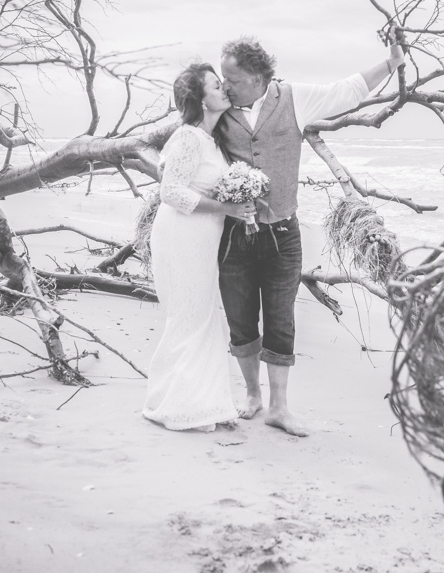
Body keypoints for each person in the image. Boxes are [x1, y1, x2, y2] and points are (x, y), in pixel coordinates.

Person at [216, 36, 405, 437]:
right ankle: (252, 395)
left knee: (281, 321)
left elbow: (347, 91)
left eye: (230, 78)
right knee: (240, 318)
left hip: (283, 234)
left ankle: (279, 408)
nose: (224, 85)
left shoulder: (293, 98)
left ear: (255, 77)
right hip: (234, 236)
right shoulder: (217, 110)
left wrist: (391, 63)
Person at [143, 63, 257, 431]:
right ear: (200, 100)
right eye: (214, 85)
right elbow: (171, 192)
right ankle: (181, 406)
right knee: (190, 317)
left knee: (201, 315)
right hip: (182, 235)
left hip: (203, 237)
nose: (223, 88)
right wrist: (228, 208)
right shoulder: (189, 137)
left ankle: (199, 402)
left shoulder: (210, 139)